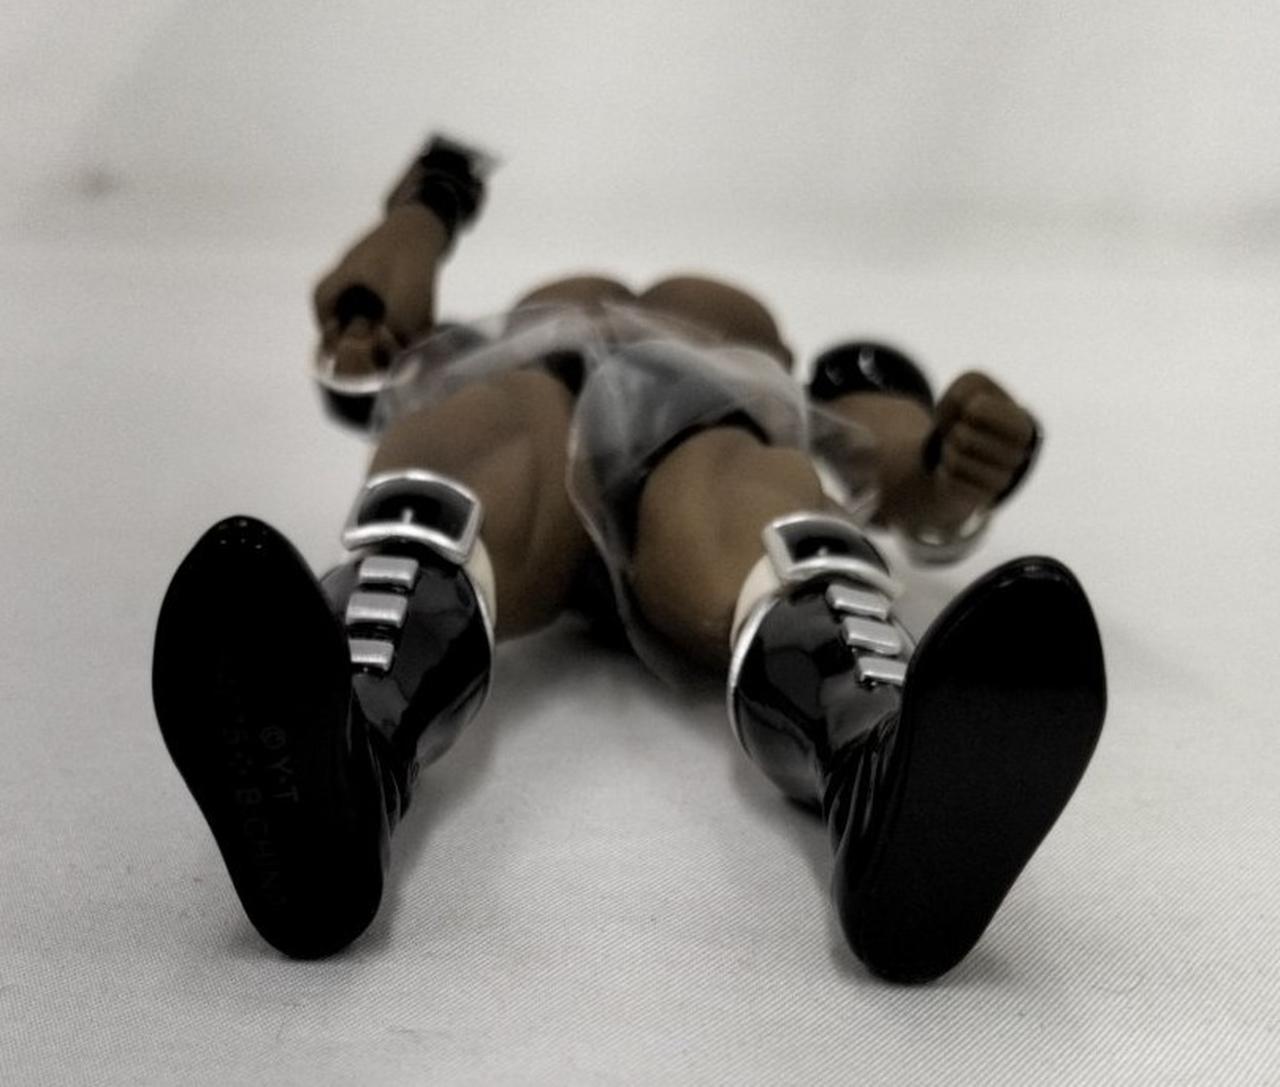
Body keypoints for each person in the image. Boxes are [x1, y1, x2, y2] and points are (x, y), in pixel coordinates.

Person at [152, 135, 1106, 982]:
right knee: (469, 452)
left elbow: (885, 455)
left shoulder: (818, 377)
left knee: (747, 494)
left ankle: (878, 762)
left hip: (698, 445)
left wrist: (950, 459)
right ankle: (345, 753)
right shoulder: (509, 351)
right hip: (542, 412)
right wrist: (416, 224)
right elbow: (370, 349)